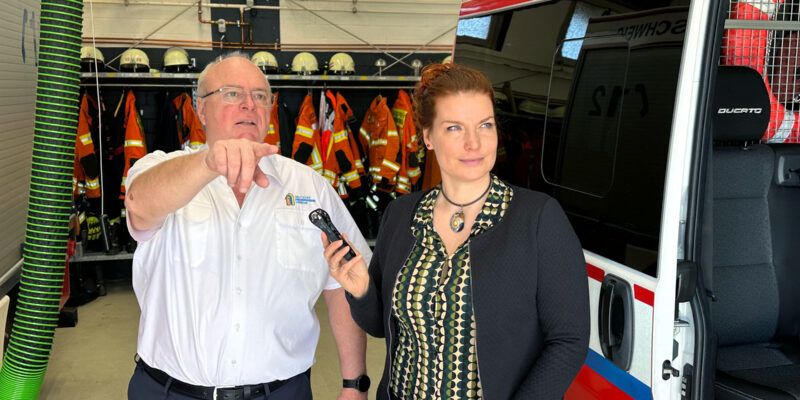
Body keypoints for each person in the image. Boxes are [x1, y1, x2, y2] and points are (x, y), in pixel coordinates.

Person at [322, 63, 590, 400]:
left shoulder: (537, 218)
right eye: (454, 128)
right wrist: (360, 290)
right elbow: (380, 327)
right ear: (428, 137)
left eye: (485, 125)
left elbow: (569, 339)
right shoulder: (402, 214)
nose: (474, 143)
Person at [125, 53, 372, 400]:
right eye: (231, 94)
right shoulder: (163, 169)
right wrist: (210, 161)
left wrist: (354, 384)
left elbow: (341, 285)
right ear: (200, 109)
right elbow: (139, 204)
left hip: (282, 392)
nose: (248, 105)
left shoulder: (309, 187)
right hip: (171, 392)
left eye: (259, 96)